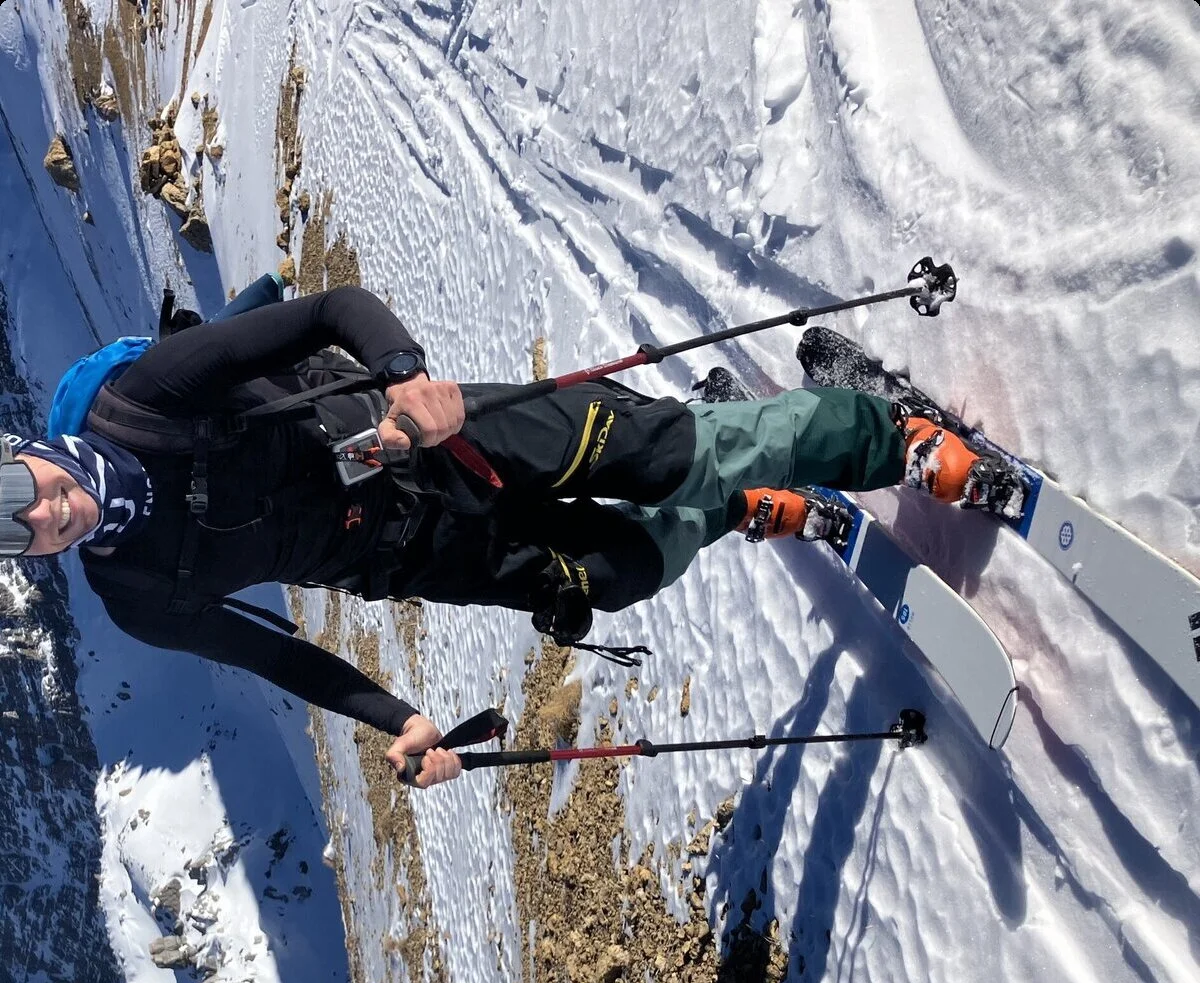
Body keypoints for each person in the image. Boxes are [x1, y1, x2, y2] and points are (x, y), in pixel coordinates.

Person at [1, 283, 982, 788]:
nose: (41, 516)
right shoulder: (138, 593)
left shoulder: (150, 400)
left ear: (23, 454)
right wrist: (400, 720)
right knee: (614, 574)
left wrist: (405, 377)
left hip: (442, 439)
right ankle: (738, 492)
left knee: (665, 456)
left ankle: (886, 432)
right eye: (16, 538)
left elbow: (330, 314)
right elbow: (281, 658)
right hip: (416, 554)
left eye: (15, 492)